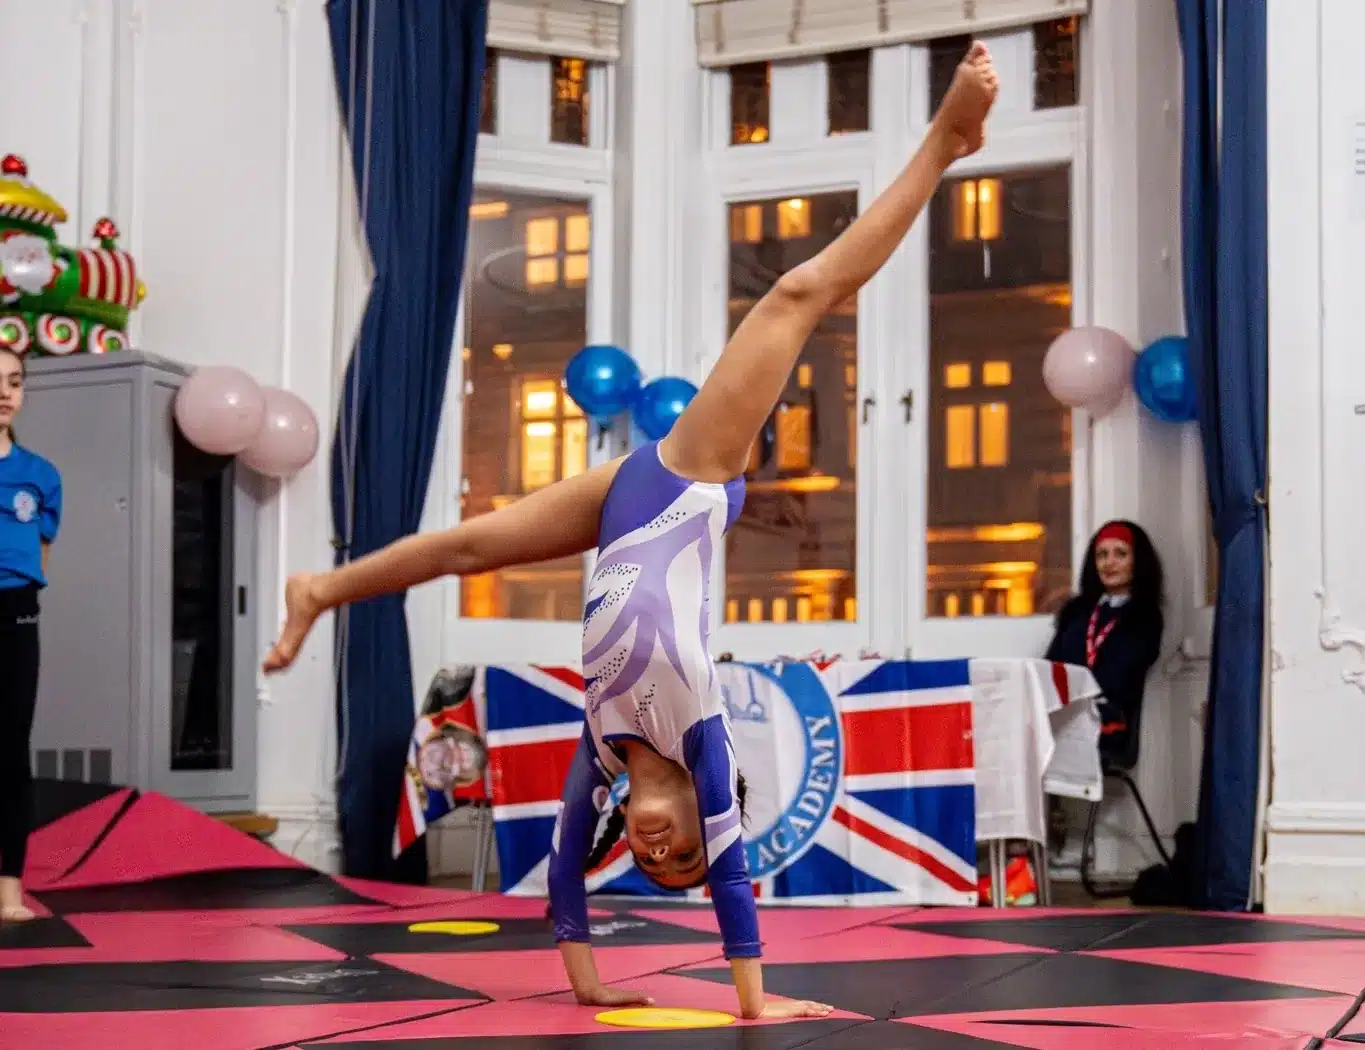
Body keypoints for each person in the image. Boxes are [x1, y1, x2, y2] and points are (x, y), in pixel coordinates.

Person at [264, 43, 1000, 1019]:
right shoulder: (700, 734)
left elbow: (567, 882)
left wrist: (592, 988)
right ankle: (946, 142)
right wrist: (753, 1004)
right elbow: (737, 891)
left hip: (625, 504)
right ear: (707, 809)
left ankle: (319, 589)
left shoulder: (603, 748)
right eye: (684, 850)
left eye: (654, 863)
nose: (663, 852)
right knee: (797, 294)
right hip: (691, 485)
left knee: (461, 547)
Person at [0, 346, 62, 923]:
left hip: (16, 614)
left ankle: (9, 891)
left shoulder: (40, 476)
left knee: (10, 752)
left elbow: (37, 555)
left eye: (14, 382)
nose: (4, 392)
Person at [1045, 519, 1165, 758]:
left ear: (1137, 561)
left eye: (1120, 554)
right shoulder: (1076, 612)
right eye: (1101, 555)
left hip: (1106, 719)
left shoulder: (1145, 616)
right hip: (1065, 712)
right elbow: (1051, 664)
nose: (1109, 563)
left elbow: (1122, 677)